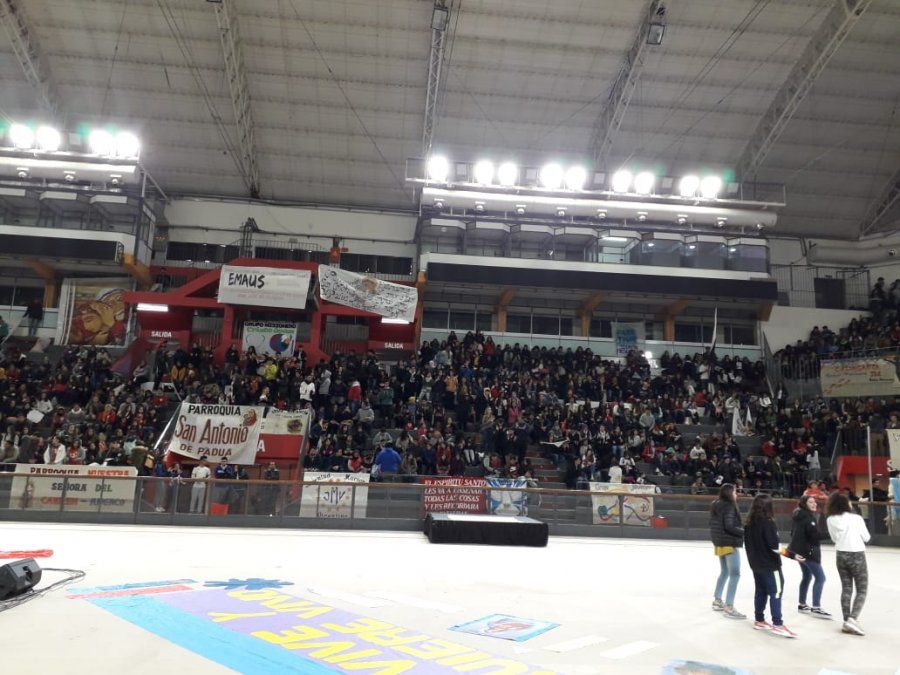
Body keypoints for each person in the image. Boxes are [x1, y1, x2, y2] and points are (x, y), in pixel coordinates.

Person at [744, 493, 802, 638]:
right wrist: (792, 555)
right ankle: (777, 624)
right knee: (776, 592)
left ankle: (759, 620)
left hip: (755, 564)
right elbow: (775, 547)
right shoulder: (768, 523)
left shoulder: (749, 523)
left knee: (761, 591)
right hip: (770, 565)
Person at [826, 492, 870, 636]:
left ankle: (846, 621)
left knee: (846, 588)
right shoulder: (856, 518)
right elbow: (867, 537)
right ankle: (852, 619)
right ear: (846, 504)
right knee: (862, 589)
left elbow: (834, 538)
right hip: (857, 554)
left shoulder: (830, 519)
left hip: (840, 554)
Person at [788, 495, 831, 619]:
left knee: (807, 576)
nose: (814, 504)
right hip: (808, 553)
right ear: (804, 504)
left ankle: (802, 604)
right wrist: (832, 534)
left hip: (798, 551)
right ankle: (816, 607)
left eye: (815, 502)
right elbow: (814, 536)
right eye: (811, 502)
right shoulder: (808, 517)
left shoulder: (798, 515)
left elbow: (792, 533)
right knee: (821, 578)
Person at [709, 483, 746, 619]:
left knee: (724, 571)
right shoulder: (729, 505)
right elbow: (729, 526)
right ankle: (729, 606)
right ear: (729, 493)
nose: (736, 495)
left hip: (719, 543)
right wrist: (745, 532)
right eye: (735, 492)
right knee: (735, 574)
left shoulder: (715, 504)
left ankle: (717, 600)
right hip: (729, 543)